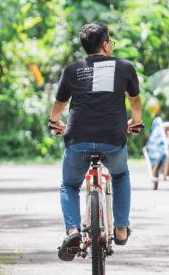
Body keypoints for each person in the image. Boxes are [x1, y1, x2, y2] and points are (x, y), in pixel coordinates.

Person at [47, 22, 142, 261]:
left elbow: (59, 106)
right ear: (106, 45)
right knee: (120, 176)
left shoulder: (72, 70)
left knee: (69, 185)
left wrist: (54, 122)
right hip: (113, 138)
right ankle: (121, 228)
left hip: (77, 138)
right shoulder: (124, 67)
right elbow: (135, 101)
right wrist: (136, 121)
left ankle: (72, 231)